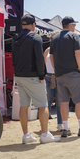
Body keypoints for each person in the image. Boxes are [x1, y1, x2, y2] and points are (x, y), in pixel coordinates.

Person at [12, 14, 60, 144]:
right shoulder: (35, 37)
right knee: (43, 104)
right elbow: (39, 58)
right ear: (33, 25)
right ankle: (45, 134)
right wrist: (41, 76)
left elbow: (13, 59)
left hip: (19, 75)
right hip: (32, 76)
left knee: (24, 105)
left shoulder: (15, 38)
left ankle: (26, 135)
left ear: (22, 25)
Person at [50, 16, 80, 137]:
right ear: (70, 25)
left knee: (64, 102)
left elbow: (51, 56)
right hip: (73, 73)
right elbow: (78, 54)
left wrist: (55, 69)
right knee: (79, 101)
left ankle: (65, 128)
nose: (75, 27)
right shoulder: (73, 36)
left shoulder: (55, 37)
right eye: (74, 25)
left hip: (59, 74)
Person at [43, 30, 62, 131]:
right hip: (48, 77)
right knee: (48, 101)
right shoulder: (47, 50)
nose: (50, 39)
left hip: (58, 77)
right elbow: (43, 64)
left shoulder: (61, 50)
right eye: (50, 38)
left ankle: (60, 124)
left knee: (59, 102)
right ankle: (44, 125)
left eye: (52, 38)